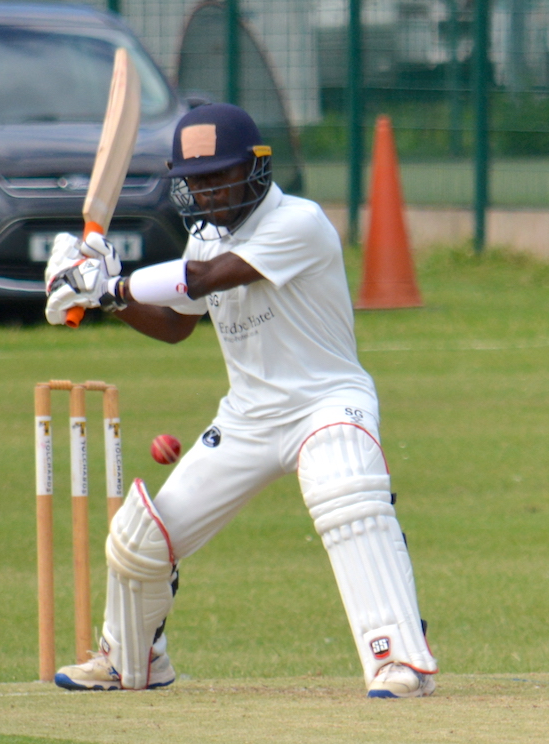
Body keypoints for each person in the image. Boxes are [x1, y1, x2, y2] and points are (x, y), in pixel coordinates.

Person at [43, 103, 438, 697]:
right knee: (140, 538)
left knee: (345, 492)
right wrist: (109, 300)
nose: (206, 195)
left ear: (256, 169)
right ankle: (131, 660)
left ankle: (398, 660)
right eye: (194, 183)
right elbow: (179, 323)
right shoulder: (204, 236)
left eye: (218, 177)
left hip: (325, 402)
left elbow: (203, 281)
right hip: (248, 418)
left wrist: (109, 281)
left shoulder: (298, 223)